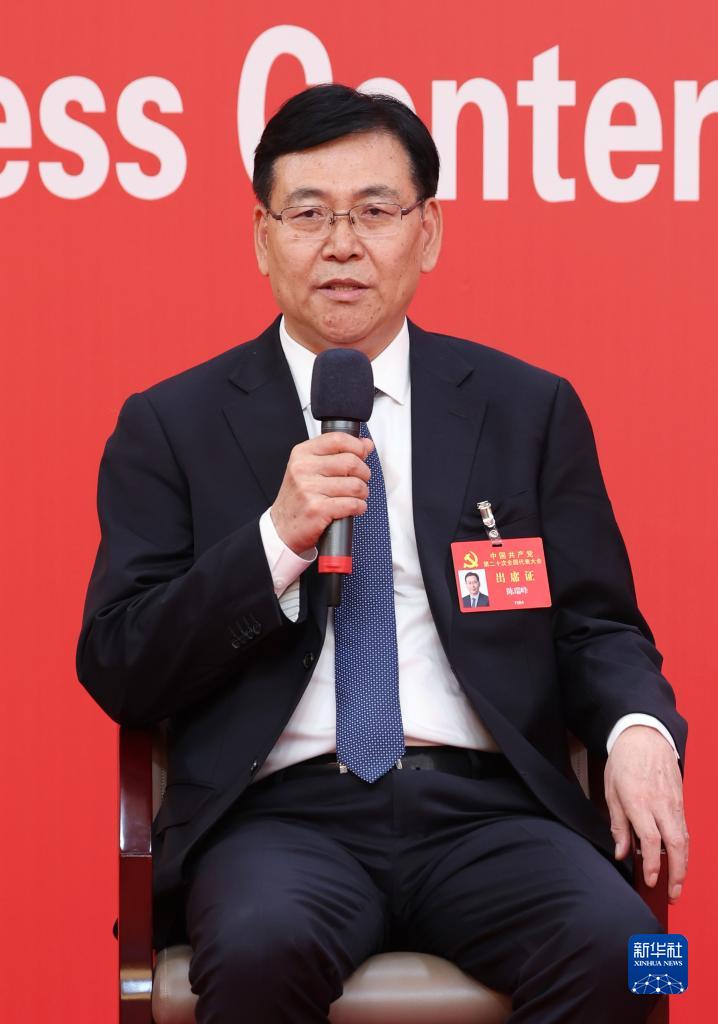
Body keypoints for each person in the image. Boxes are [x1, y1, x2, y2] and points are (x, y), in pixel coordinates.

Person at [76, 84, 688, 1023]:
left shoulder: (527, 409)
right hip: (279, 819)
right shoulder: (171, 424)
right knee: (258, 949)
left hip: (491, 812)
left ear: (427, 233)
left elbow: (598, 626)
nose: (341, 245)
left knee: (640, 955)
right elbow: (121, 663)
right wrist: (276, 540)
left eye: (374, 211)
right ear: (262, 239)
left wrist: (638, 732)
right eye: (308, 214)